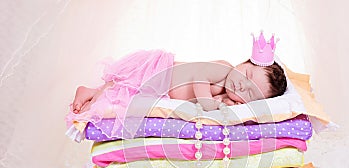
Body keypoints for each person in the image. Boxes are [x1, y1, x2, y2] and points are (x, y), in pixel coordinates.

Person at [70, 32, 286, 113]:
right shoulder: (224, 68)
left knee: (128, 96)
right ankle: (90, 93)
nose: (241, 86)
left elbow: (207, 100)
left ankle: (90, 91)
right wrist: (209, 104)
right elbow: (198, 78)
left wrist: (224, 103)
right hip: (162, 73)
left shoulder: (227, 94)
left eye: (250, 93)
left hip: (163, 90)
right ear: (242, 63)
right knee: (125, 86)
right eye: (247, 76)